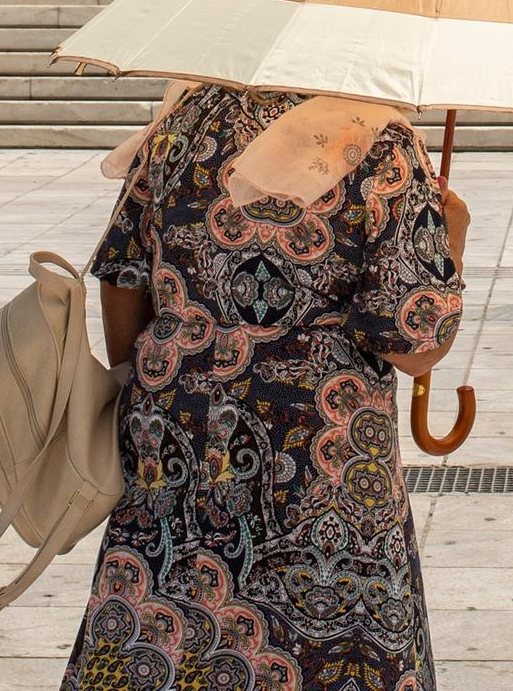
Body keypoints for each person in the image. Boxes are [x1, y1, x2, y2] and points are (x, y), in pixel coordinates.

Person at [64, 84, 469, 690]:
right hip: (318, 450)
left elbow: (121, 273)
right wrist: (453, 234)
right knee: (323, 646)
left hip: (174, 432)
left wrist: (154, 389)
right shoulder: (381, 146)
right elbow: (414, 349)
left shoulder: (188, 121)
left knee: (168, 625)